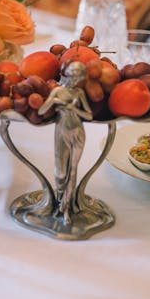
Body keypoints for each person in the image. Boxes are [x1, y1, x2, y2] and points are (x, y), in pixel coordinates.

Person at [38, 61, 93, 222]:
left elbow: (88, 116)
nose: (76, 78)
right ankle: (59, 200)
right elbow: (41, 111)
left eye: (80, 75)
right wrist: (54, 102)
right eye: (74, 73)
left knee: (73, 170)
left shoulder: (79, 93)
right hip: (62, 131)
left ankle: (66, 208)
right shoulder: (57, 91)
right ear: (68, 73)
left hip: (77, 132)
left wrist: (74, 109)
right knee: (61, 172)